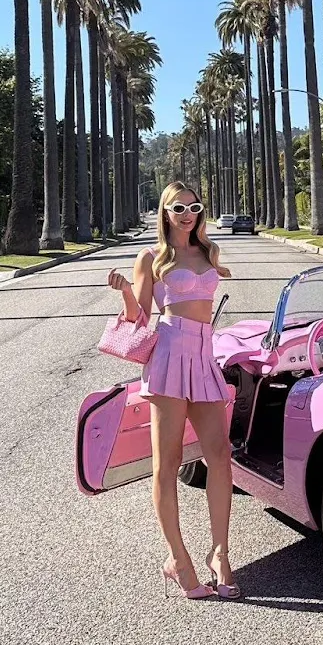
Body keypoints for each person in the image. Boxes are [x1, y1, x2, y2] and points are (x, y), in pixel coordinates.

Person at [107, 182, 239, 600]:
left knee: (220, 454)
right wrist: (127, 291)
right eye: (178, 207)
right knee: (169, 462)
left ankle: (220, 553)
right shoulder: (150, 257)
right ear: (165, 211)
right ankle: (177, 558)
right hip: (167, 356)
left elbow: (207, 289)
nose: (187, 214)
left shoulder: (209, 252)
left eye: (194, 207)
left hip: (203, 355)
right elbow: (140, 318)